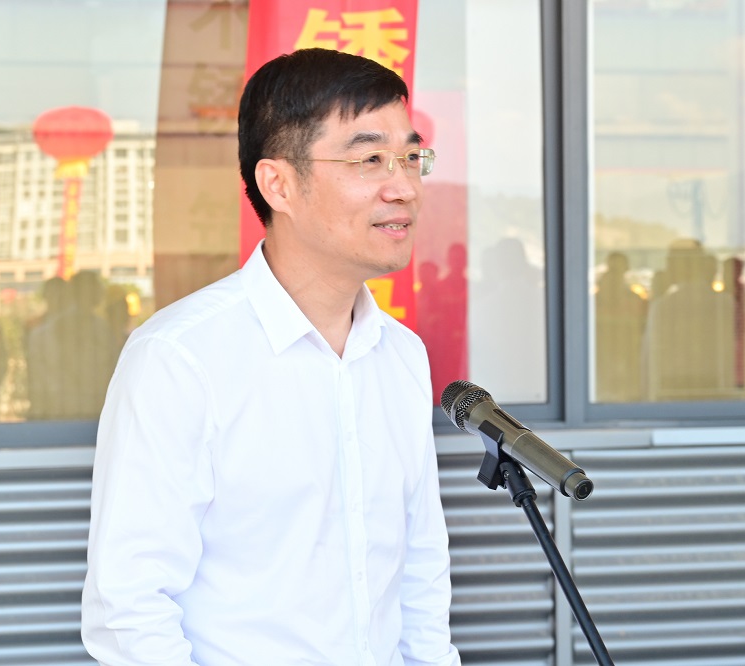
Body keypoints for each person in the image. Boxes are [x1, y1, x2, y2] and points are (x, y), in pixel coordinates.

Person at [81, 48, 461, 665]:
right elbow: (129, 610)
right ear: (277, 184)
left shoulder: (400, 355)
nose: (404, 188)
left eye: (411, 158)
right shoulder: (181, 358)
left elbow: (420, 570)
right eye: (369, 160)